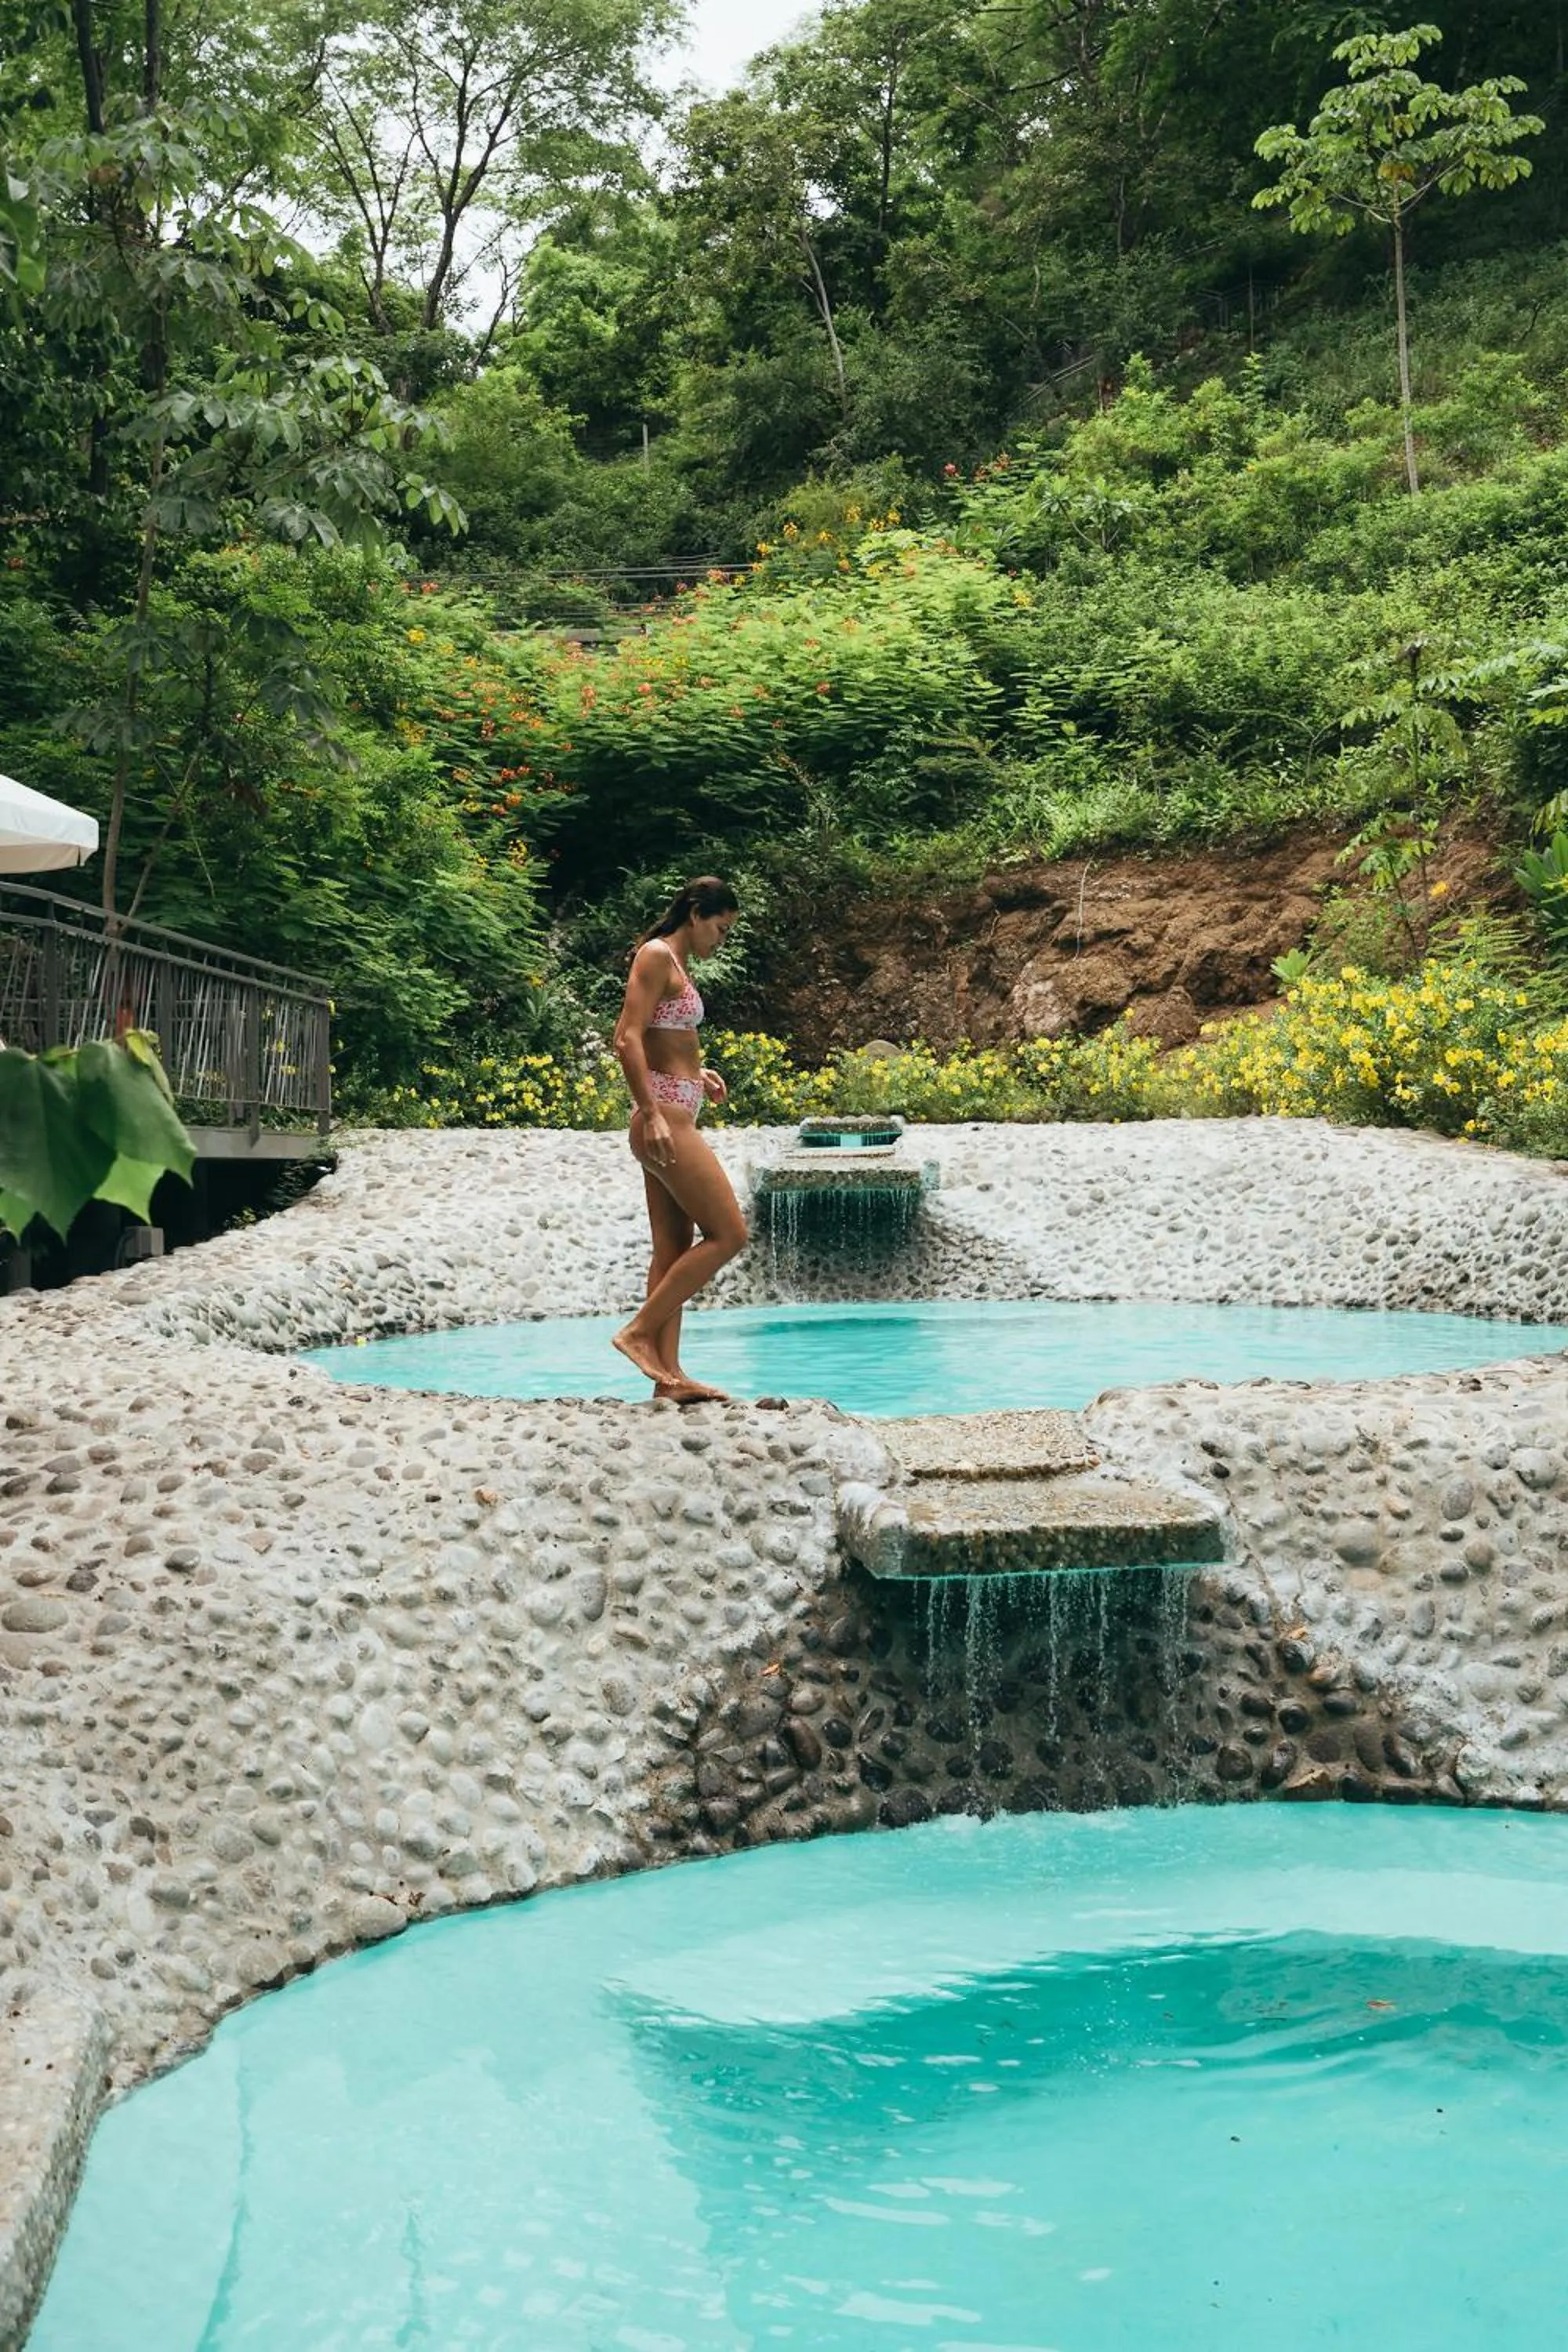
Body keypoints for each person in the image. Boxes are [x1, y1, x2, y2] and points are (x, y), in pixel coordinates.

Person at [611, 877, 749, 1402]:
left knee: (671, 1248)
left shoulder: (674, 965)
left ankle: (668, 1380)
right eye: (720, 926)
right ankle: (638, 1332)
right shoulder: (655, 955)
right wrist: (653, 1112)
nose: (722, 938)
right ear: (695, 913)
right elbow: (625, 1038)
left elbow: (660, 1037)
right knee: (730, 1234)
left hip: (674, 1107)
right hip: (664, 1119)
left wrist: (699, 1073)